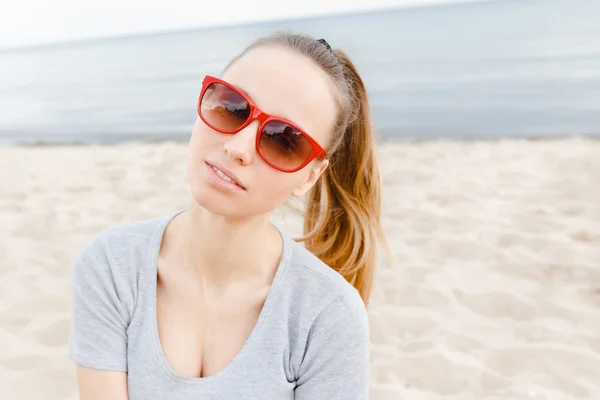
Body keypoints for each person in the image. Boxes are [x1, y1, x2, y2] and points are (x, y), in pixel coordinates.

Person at [68, 32, 388, 399]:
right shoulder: (110, 267)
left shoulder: (328, 316)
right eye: (231, 106)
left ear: (310, 176)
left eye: (284, 140)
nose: (237, 147)